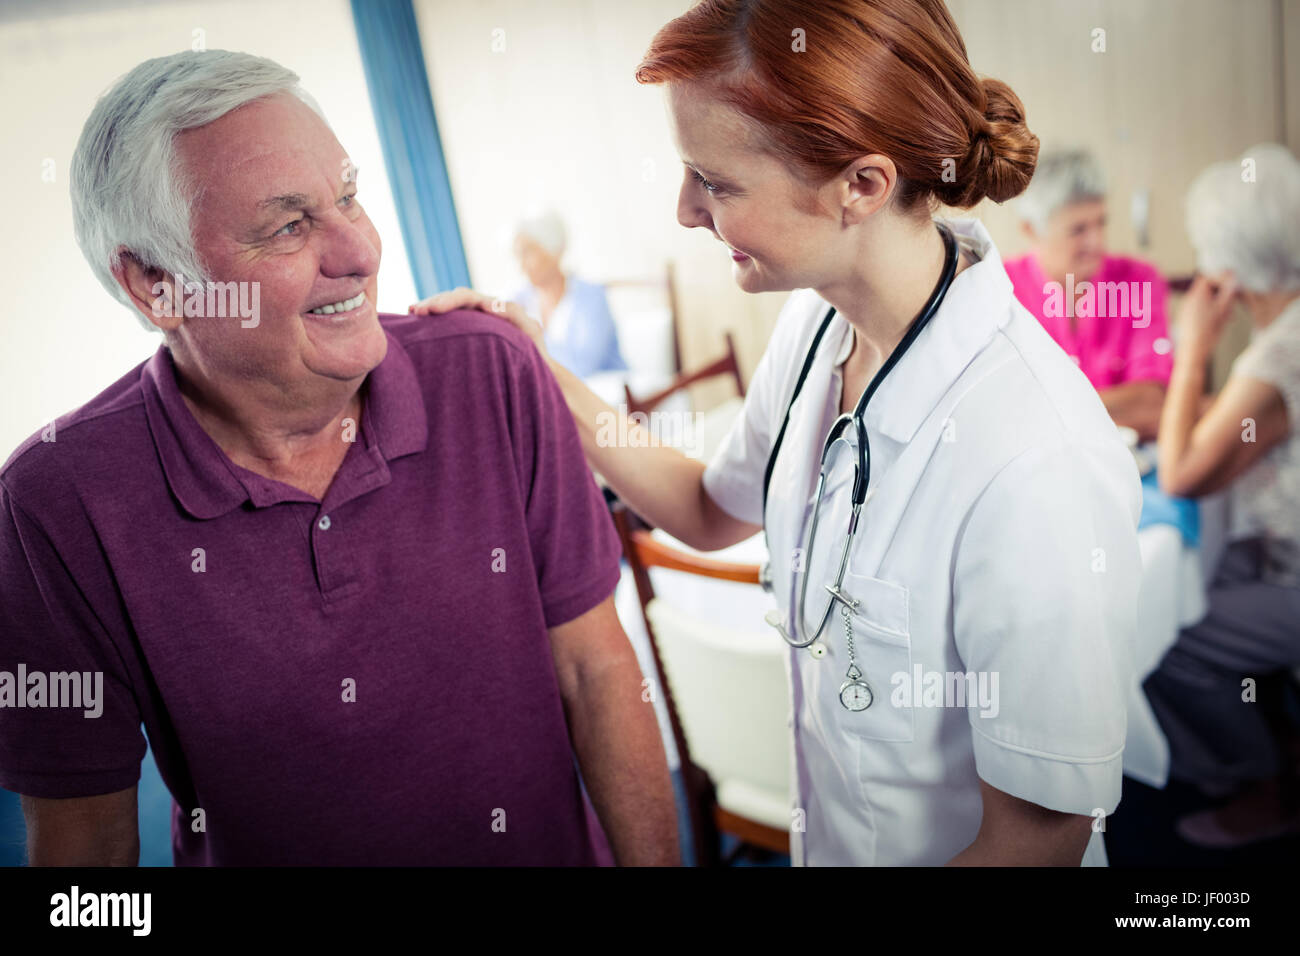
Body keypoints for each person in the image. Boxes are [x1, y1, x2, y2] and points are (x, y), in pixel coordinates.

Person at [414, 0, 1141, 866]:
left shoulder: (1036, 455)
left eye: (714, 182)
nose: (685, 210)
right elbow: (710, 510)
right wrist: (542, 375)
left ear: (861, 187)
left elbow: (1037, 843)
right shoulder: (813, 331)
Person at [0, 50, 678, 866]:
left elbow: (599, 674)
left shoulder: (491, 370)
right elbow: (84, 846)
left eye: (348, 197)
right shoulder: (53, 503)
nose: (358, 250)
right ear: (156, 285)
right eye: (288, 226)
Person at [1142, 143, 1300, 847]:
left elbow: (1181, 473)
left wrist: (1192, 346)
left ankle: (1262, 785)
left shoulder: (1279, 354)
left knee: (1168, 634)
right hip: (1279, 546)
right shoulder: (1283, 333)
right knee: (1192, 575)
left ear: (1229, 265)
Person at [1004, 149, 1173, 441]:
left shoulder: (1138, 280)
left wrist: (1044, 413)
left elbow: (1150, 404)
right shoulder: (1000, 287)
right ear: (1031, 230)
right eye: (1078, 230)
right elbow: (1000, 412)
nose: (1096, 242)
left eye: (1101, 223)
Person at [509, 209, 628, 377]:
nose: (522, 266)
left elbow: (584, 366)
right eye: (518, 255)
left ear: (554, 250)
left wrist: (534, 343)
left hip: (610, 396)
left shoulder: (591, 297)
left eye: (528, 252)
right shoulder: (520, 301)